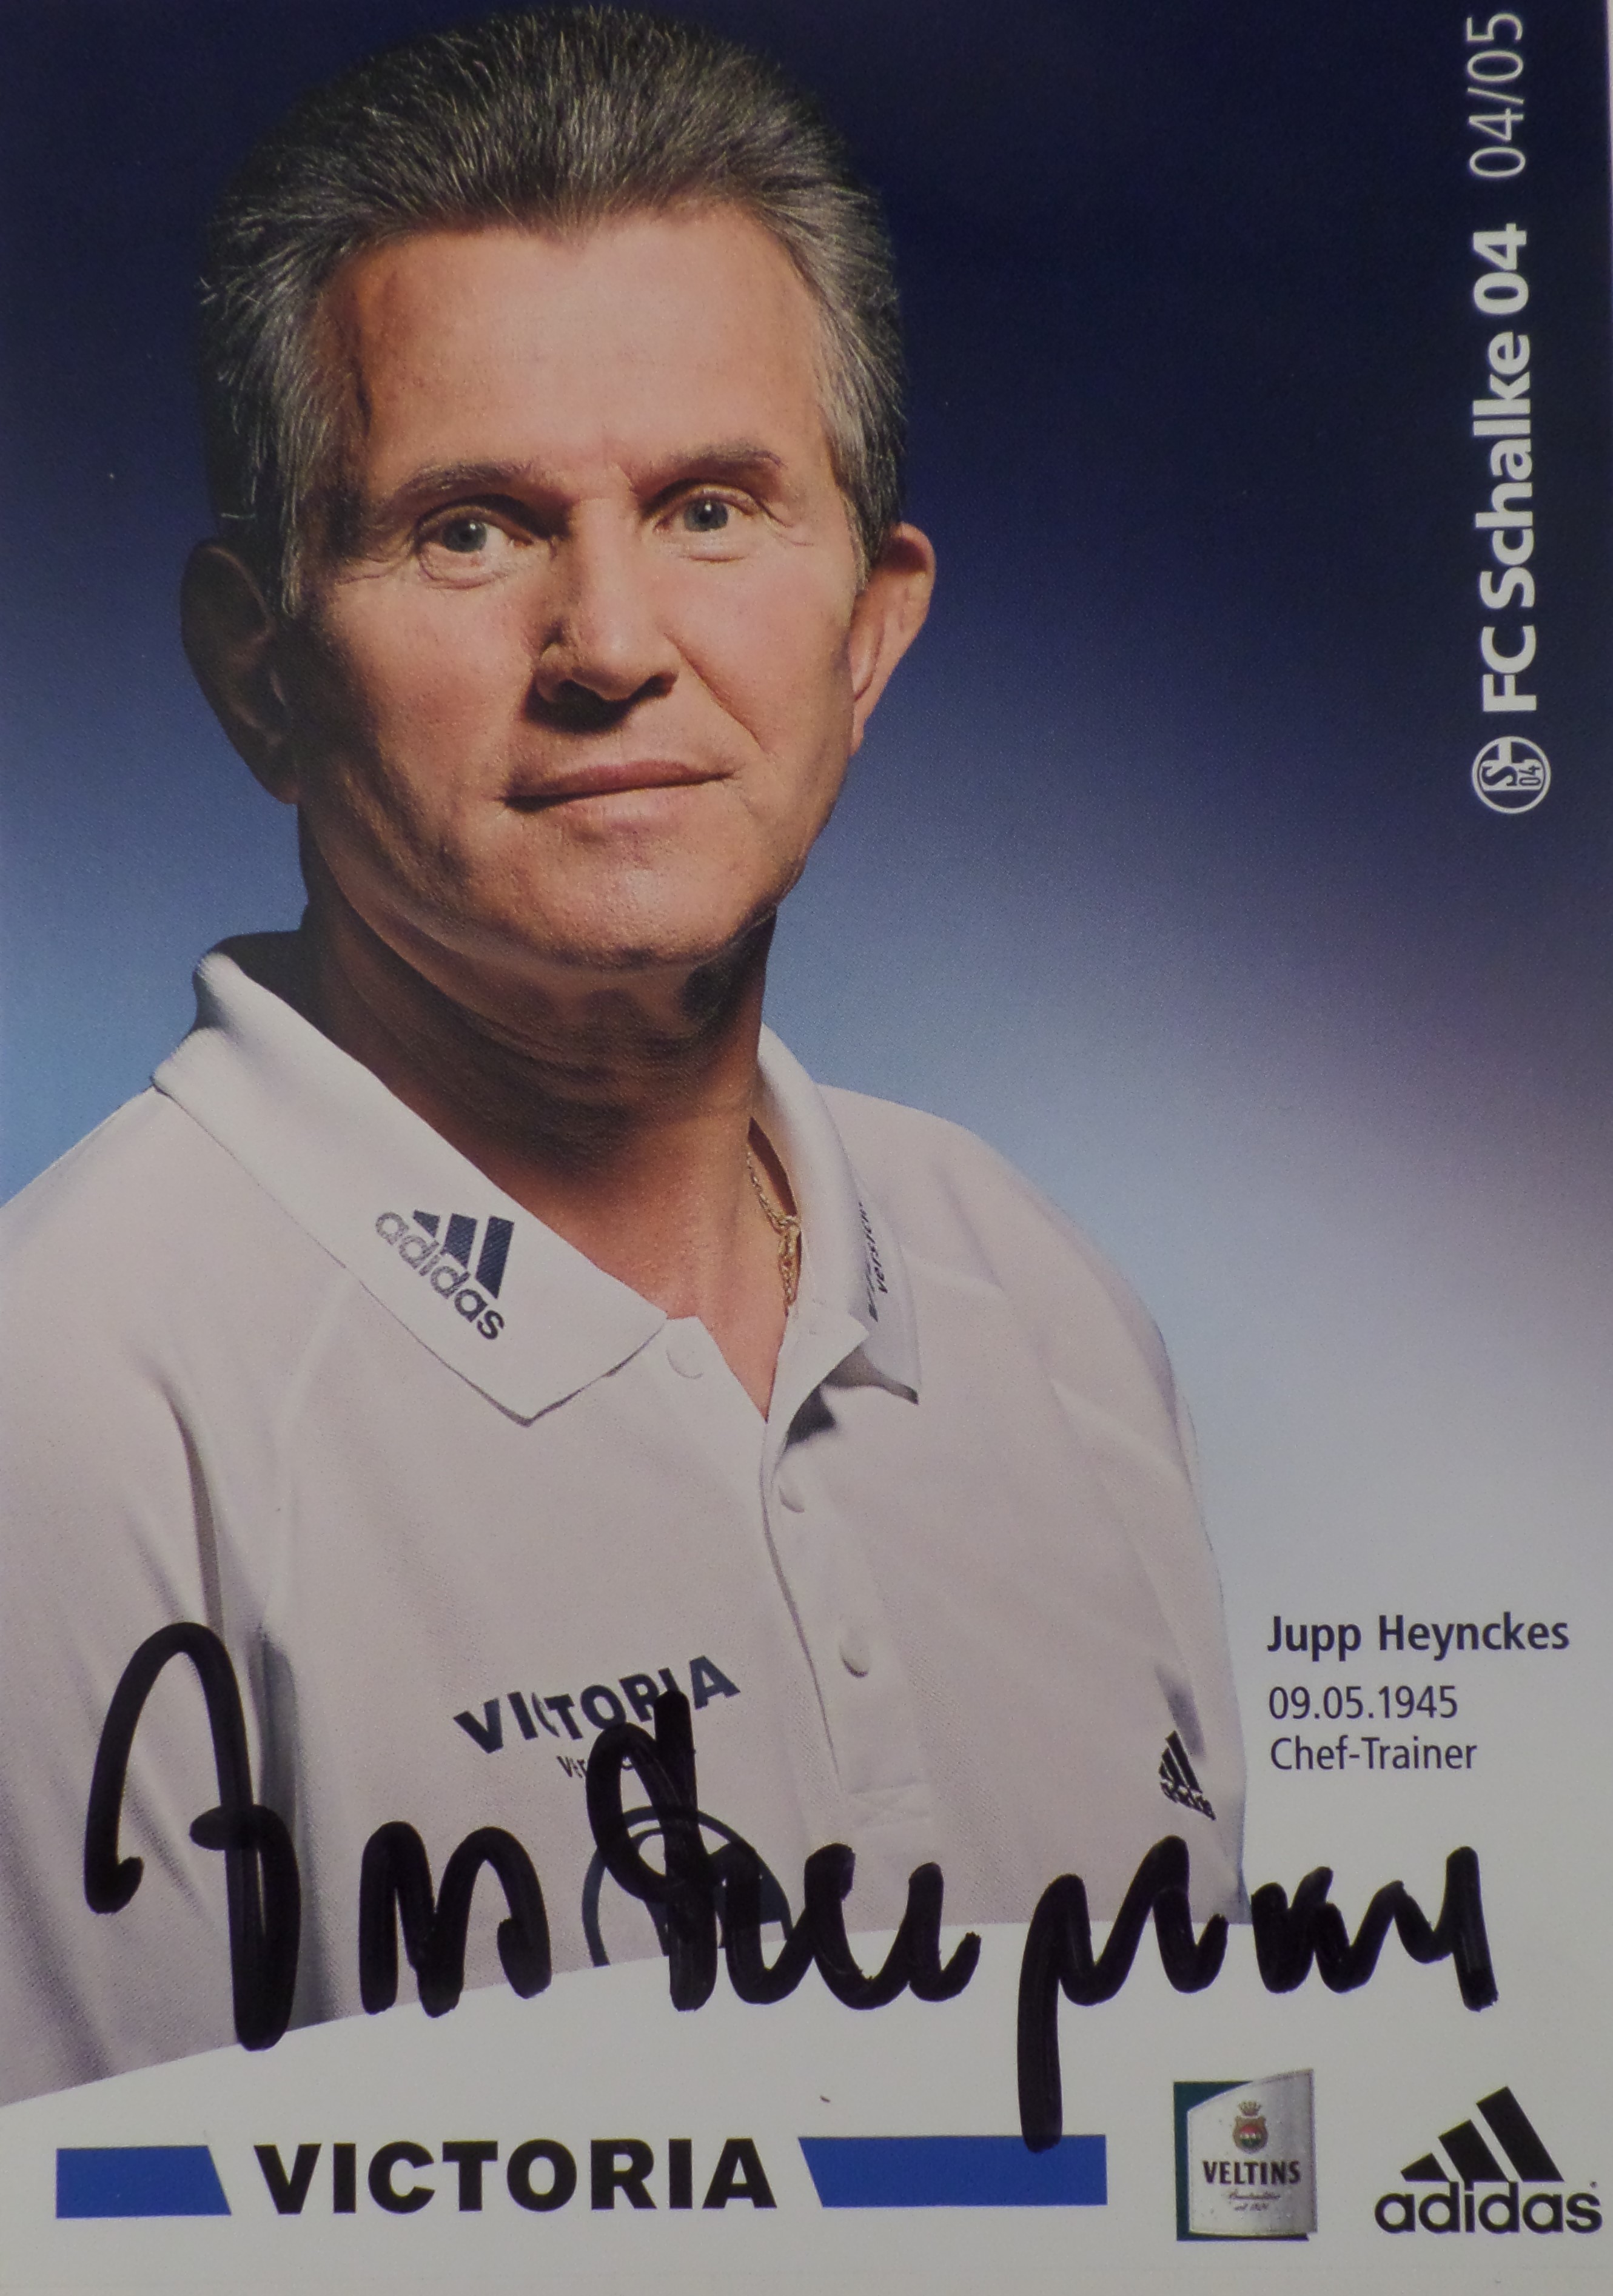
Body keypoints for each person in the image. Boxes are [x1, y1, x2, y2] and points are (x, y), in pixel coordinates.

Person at [0, 5, 1244, 2104]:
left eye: (711, 507)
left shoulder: (1039, 1295)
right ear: (257, 670)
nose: (609, 643)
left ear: (869, 631)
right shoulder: (70, 1411)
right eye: (468, 527)